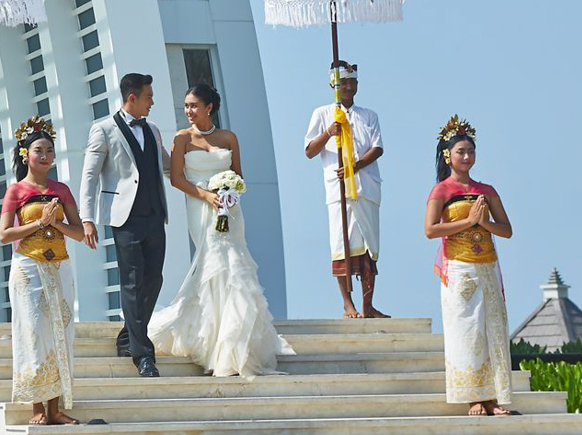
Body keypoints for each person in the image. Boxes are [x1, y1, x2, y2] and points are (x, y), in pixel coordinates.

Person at [149, 84, 294, 376]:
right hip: (200, 207)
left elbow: (239, 175)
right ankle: (212, 339)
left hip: (230, 208)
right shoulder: (182, 138)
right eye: (186, 106)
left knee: (235, 263)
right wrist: (206, 196)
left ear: (209, 108)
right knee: (213, 263)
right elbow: (177, 179)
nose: (188, 111)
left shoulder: (229, 137)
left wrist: (230, 189)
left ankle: (233, 341)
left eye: (193, 105)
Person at [79, 72, 171, 377]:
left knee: (154, 279)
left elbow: (171, 167)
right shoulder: (103, 129)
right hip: (125, 218)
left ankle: (127, 336)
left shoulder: (154, 130)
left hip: (156, 216)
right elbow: (90, 175)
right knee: (132, 281)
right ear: (132, 98)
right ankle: (142, 355)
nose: (153, 102)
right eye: (149, 96)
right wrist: (87, 218)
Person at [426, 115, 517, 416]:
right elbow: (430, 230)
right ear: (447, 156)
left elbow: (506, 229)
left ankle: (493, 396)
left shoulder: (486, 190)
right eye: (461, 152)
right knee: (466, 330)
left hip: (487, 265)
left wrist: (485, 223)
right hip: (459, 266)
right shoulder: (441, 191)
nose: (466, 157)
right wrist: (468, 221)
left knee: (492, 329)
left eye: (471, 152)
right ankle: (473, 397)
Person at [0, 117, 86, 425]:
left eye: (50, 150)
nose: (45, 156)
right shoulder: (16, 191)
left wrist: (56, 223)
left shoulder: (60, 190)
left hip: (59, 265)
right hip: (28, 267)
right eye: (39, 150)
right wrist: (38, 223)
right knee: (33, 333)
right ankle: (37, 407)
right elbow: (3, 235)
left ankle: (56, 407)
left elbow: (77, 232)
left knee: (60, 333)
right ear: (26, 155)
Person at [303, 61, 387, 318]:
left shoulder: (369, 115)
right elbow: (309, 151)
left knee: (369, 246)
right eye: (343, 83)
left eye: (352, 82)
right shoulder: (322, 113)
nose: (348, 87)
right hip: (338, 190)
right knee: (342, 245)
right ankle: (347, 303)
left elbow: (378, 147)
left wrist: (356, 165)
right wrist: (329, 133)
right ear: (334, 85)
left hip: (366, 188)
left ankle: (368, 305)